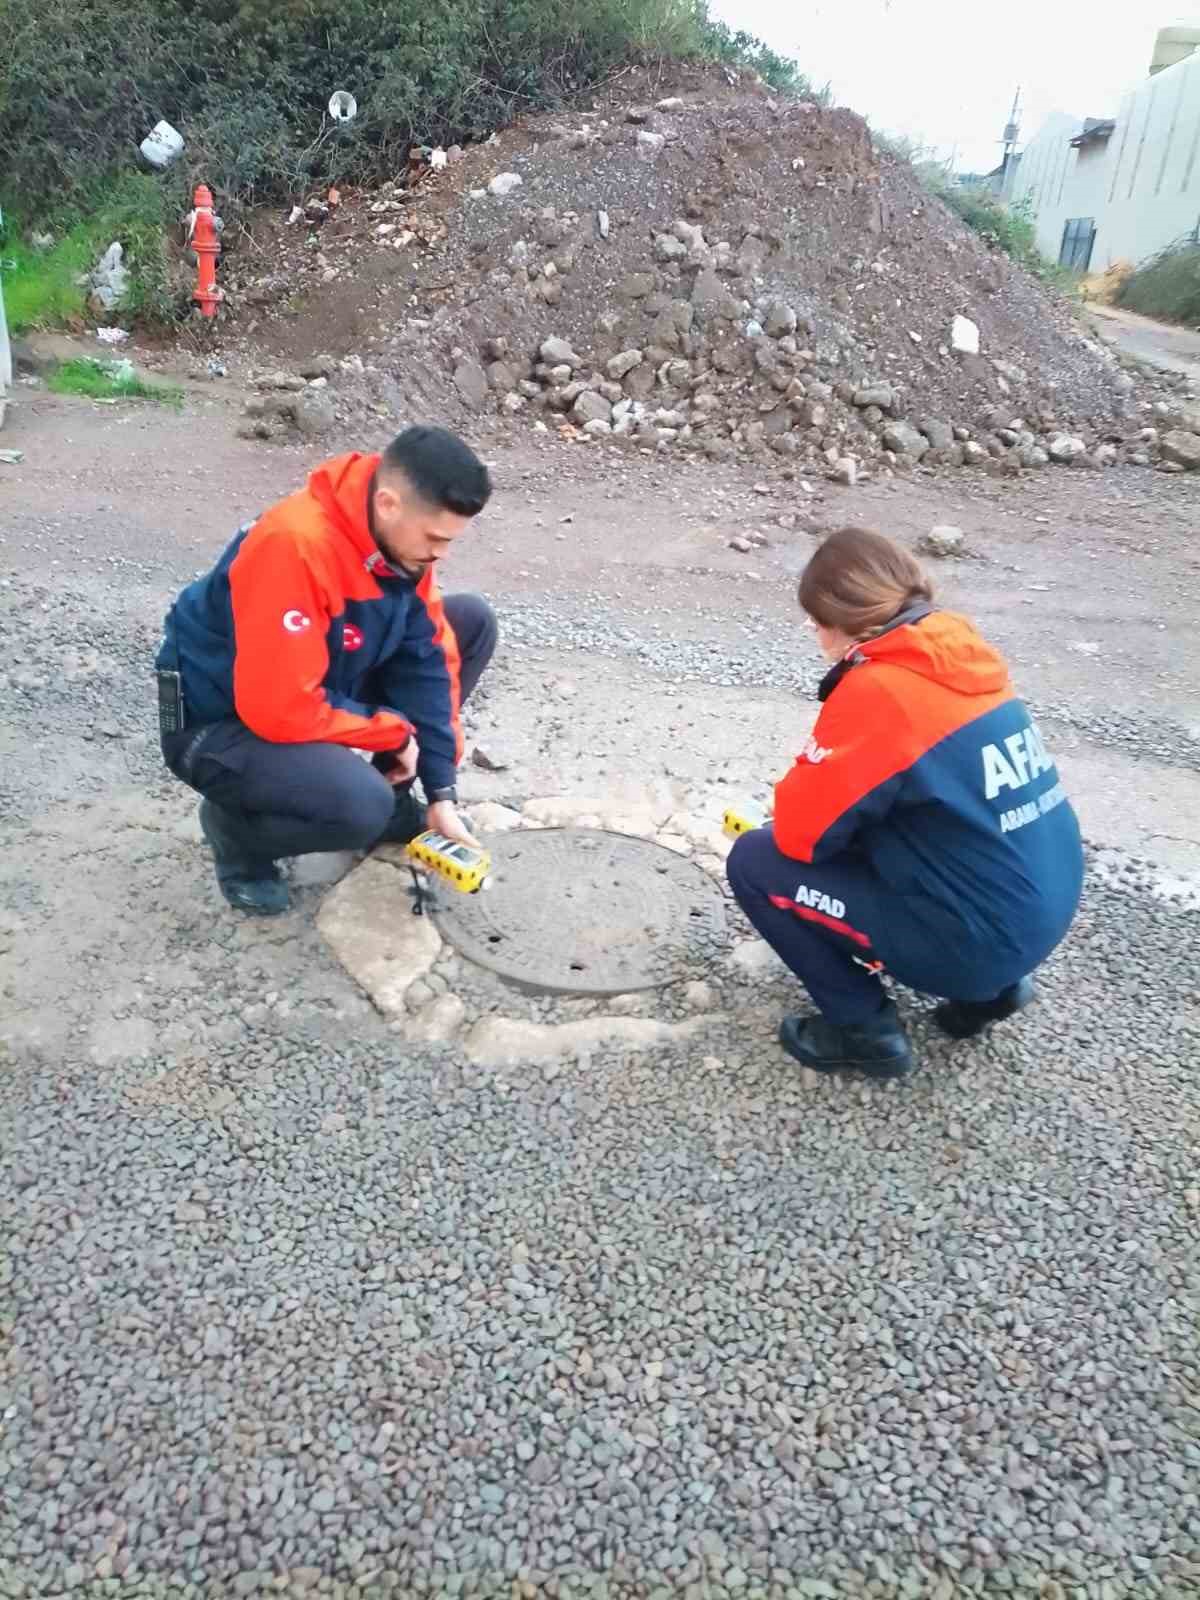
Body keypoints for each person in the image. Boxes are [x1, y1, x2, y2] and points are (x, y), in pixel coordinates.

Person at [726, 526, 1084, 1078]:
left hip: (977, 941)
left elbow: (802, 835)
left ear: (844, 621)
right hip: (1044, 910)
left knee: (754, 861)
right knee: (910, 827)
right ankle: (993, 992)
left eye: (816, 620)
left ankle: (864, 1029)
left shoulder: (880, 690)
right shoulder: (960, 658)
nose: (814, 632)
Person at [156, 425, 497, 915]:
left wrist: (441, 788)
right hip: (220, 721)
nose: (441, 553)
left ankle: (394, 797)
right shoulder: (294, 544)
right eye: (435, 537)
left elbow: (427, 659)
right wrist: (393, 734)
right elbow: (278, 710)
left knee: (470, 623)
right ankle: (236, 837)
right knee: (359, 805)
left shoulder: (397, 548)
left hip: (308, 679)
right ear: (388, 504)